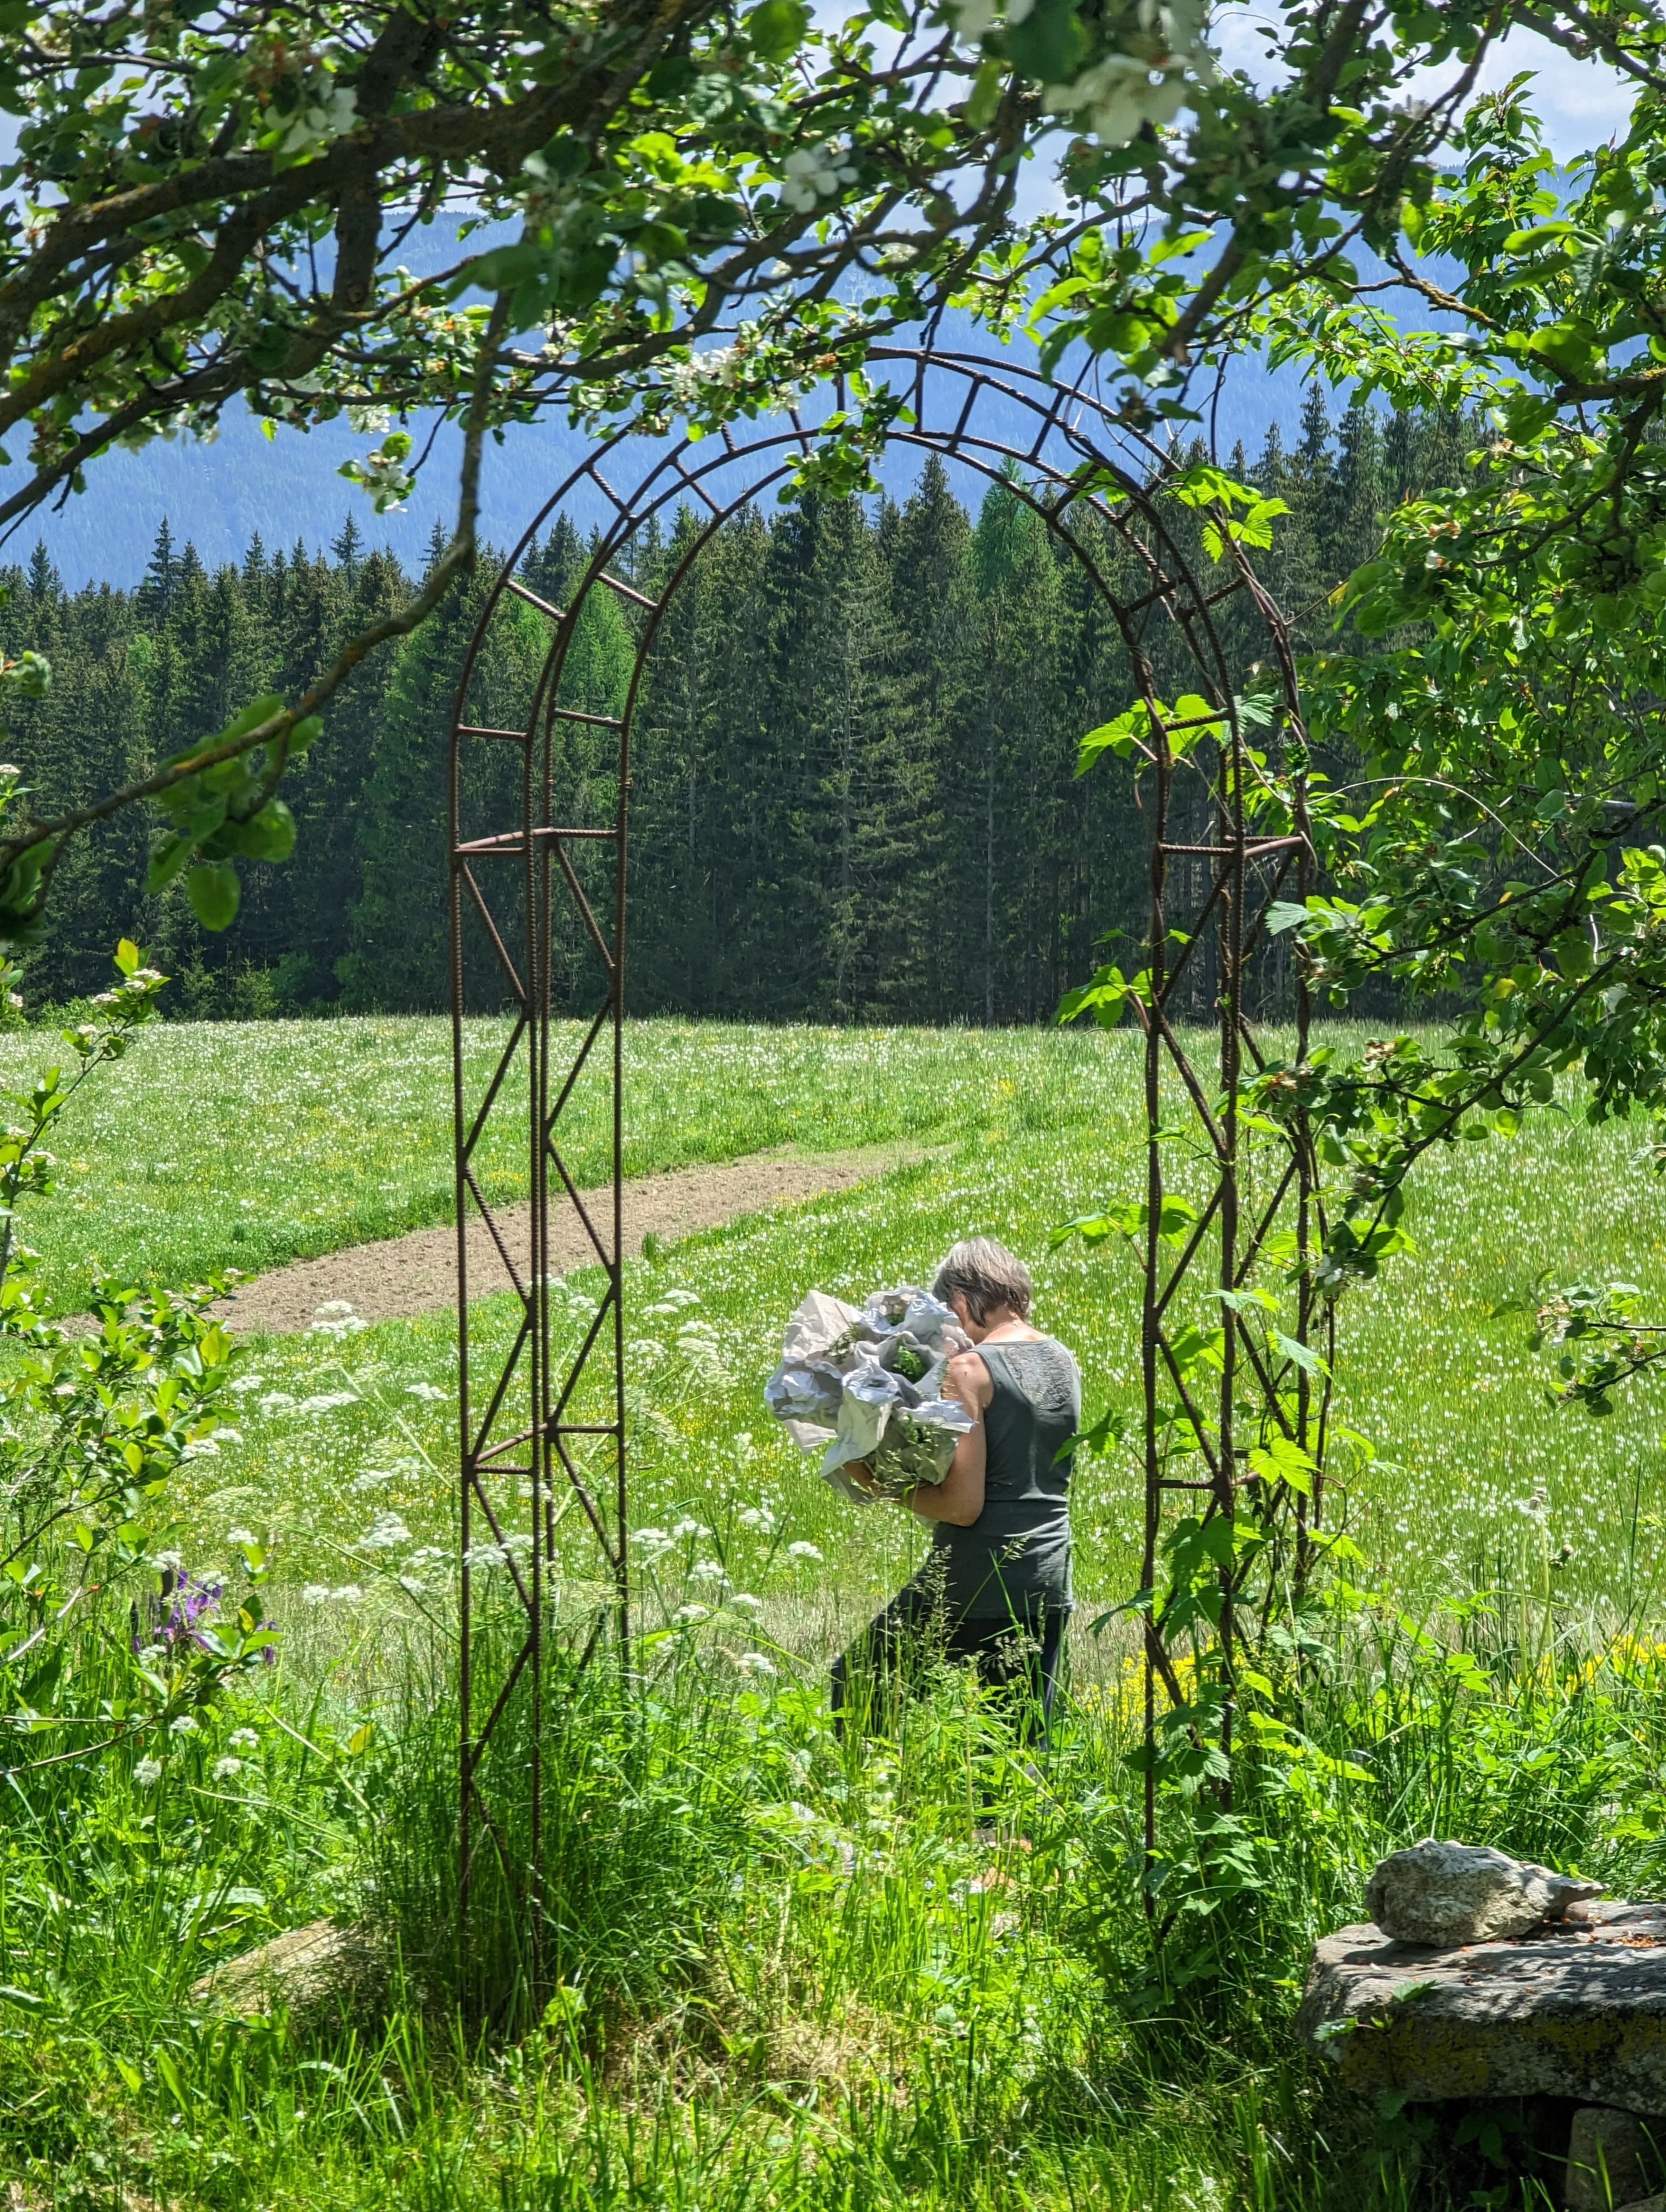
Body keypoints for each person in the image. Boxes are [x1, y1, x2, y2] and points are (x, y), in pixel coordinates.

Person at [831, 1237, 1079, 1744]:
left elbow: (964, 1507)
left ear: (963, 1302)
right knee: (1018, 1749)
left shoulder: (971, 1370)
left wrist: (880, 1485)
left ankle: (874, 1809)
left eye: (948, 1313)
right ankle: (1015, 1828)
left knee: (857, 1687)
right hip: (1049, 1573)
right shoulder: (1064, 1360)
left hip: (976, 1576)